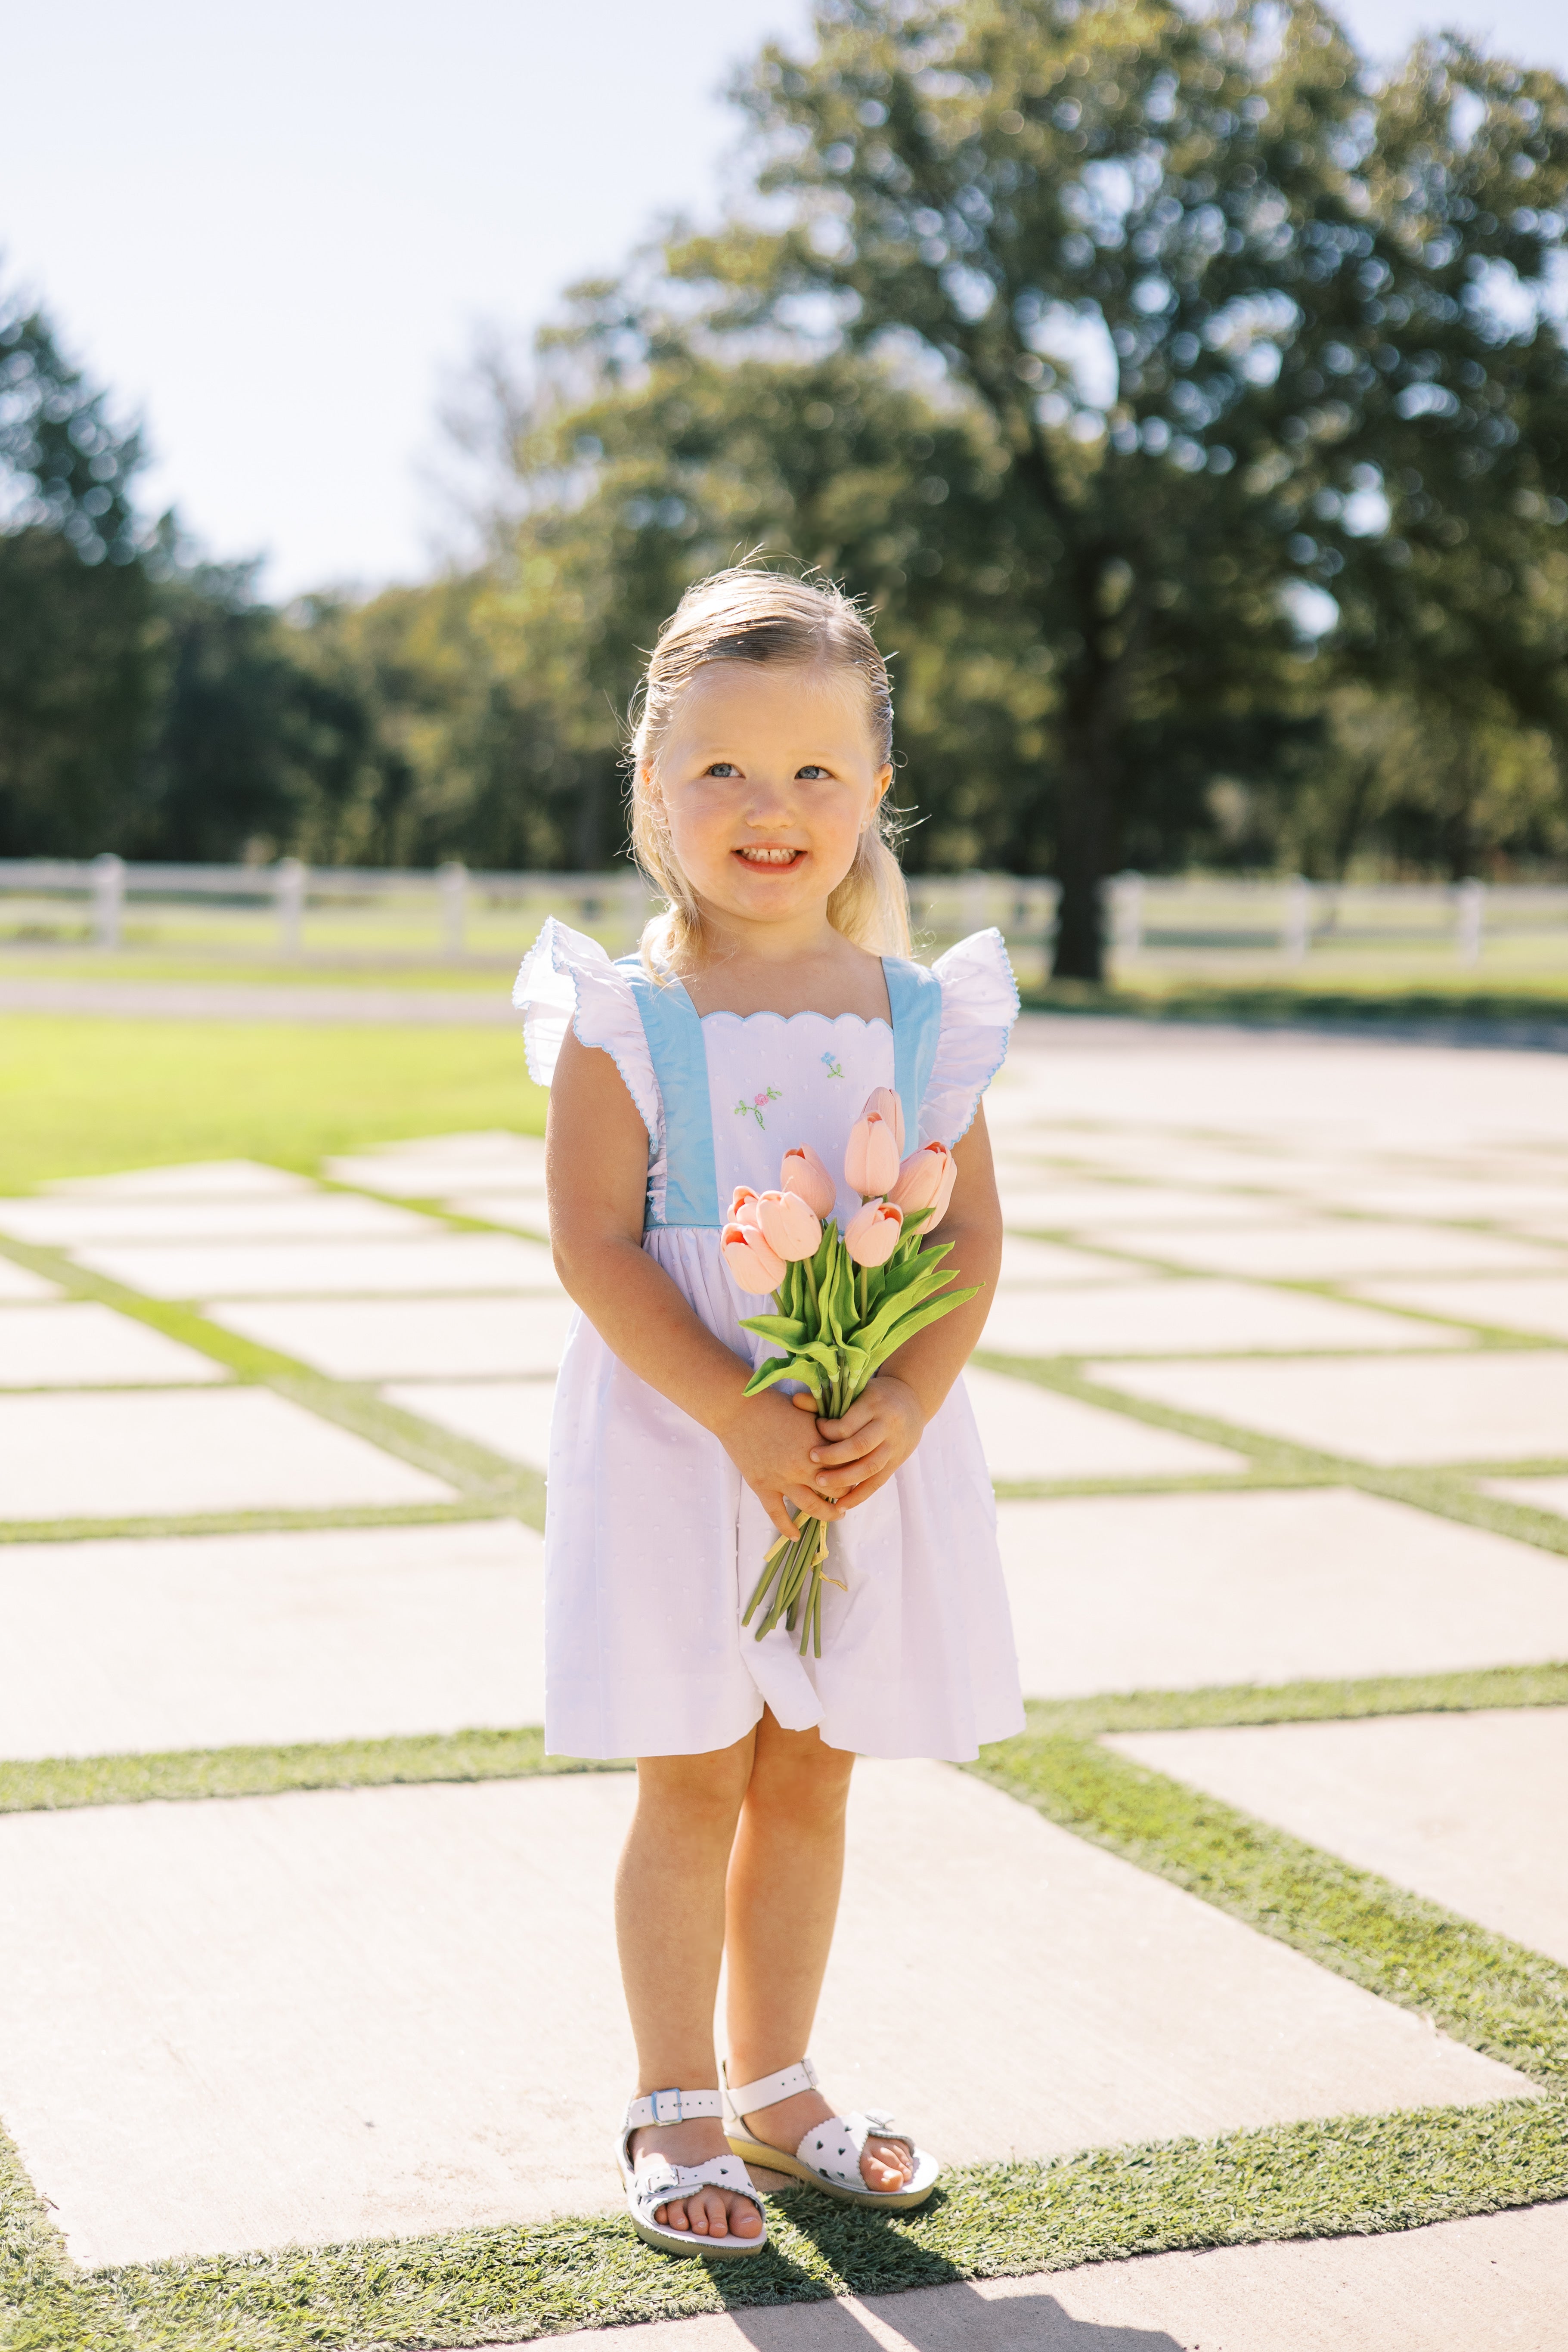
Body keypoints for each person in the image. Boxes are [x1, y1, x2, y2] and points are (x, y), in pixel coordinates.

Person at [513, 566, 1022, 2259]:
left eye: (813, 769)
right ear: (652, 783)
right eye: (721, 767)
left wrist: (904, 1400)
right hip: (684, 1441)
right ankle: (673, 2096)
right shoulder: (628, 1019)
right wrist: (736, 1413)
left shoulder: (919, 1019)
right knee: (695, 1774)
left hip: (856, 1448)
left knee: (811, 1774)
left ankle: (779, 2084)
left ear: (873, 787)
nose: (768, 807)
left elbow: (966, 1237)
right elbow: (594, 1244)